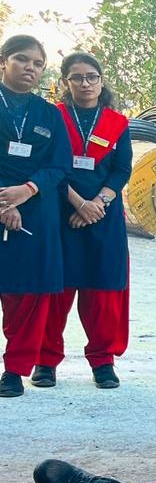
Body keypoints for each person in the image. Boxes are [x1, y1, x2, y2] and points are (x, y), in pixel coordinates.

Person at [34, 51, 132, 390]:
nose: (85, 83)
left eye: (92, 76)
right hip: (59, 215)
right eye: (77, 77)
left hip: (104, 217)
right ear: (65, 82)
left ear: (101, 81)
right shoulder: (54, 118)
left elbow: (121, 170)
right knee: (55, 291)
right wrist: (78, 204)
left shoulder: (117, 123)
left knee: (102, 292)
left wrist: (97, 204)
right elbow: (48, 167)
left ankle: (103, 362)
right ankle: (45, 361)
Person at [0, 35, 72, 398]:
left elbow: (60, 165)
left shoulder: (49, 115)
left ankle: (14, 370)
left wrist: (26, 191)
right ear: (3, 62)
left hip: (37, 212)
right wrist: (4, 203)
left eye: (38, 63)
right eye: (22, 59)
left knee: (27, 295)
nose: (30, 67)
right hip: (2, 201)